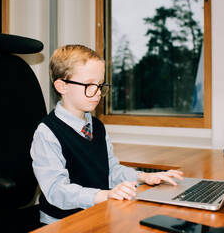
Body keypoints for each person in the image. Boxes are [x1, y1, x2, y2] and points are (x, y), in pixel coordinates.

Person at [30, 44, 183, 225]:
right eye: (89, 85)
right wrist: (103, 195)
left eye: (100, 85)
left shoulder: (97, 126)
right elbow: (56, 191)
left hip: (97, 212)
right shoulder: (47, 133)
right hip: (60, 223)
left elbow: (111, 170)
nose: (98, 93)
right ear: (62, 86)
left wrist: (144, 177)